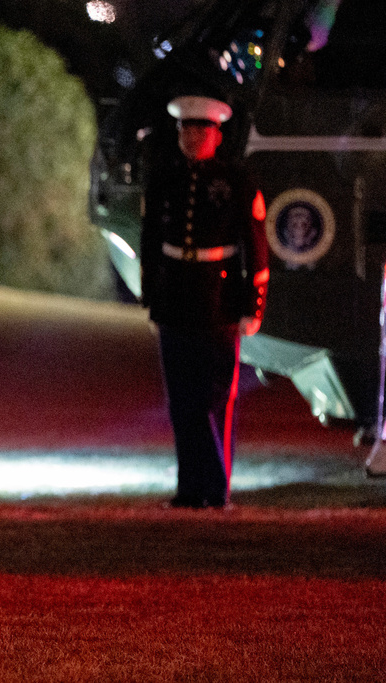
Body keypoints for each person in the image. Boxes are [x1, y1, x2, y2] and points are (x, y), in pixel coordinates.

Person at [140, 95, 269, 509]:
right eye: (186, 130)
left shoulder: (235, 181)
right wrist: (152, 298)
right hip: (176, 297)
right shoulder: (163, 178)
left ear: (216, 135)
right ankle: (189, 487)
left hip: (220, 298)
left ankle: (215, 488)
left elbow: (256, 248)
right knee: (180, 399)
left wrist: (254, 305)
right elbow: (151, 243)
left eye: (201, 130)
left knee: (215, 397)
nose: (192, 137)